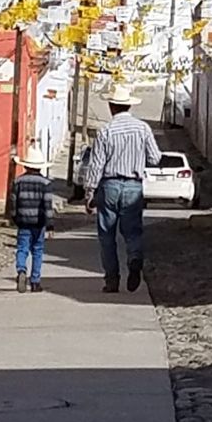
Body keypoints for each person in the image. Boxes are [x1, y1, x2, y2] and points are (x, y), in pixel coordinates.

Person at [85, 82, 162, 294]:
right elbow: (155, 158)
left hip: (109, 185)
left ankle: (112, 280)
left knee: (107, 235)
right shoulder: (143, 128)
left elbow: (96, 164)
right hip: (133, 186)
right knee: (132, 231)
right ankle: (135, 258)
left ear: (111, 107)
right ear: (129, 106)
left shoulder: (105, 131)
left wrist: (90, 191)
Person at [10, 143, 54, 294]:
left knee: (22, 248)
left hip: (23, 221)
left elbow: (14, 201)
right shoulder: (46, 183)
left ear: (26, 166)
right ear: (40, 167)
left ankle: (21, 270)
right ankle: (35, 282)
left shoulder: (18, 182)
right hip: (39, 222)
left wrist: (14, 217)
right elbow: (47, 205)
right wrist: (50, 225)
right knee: (37, 250)